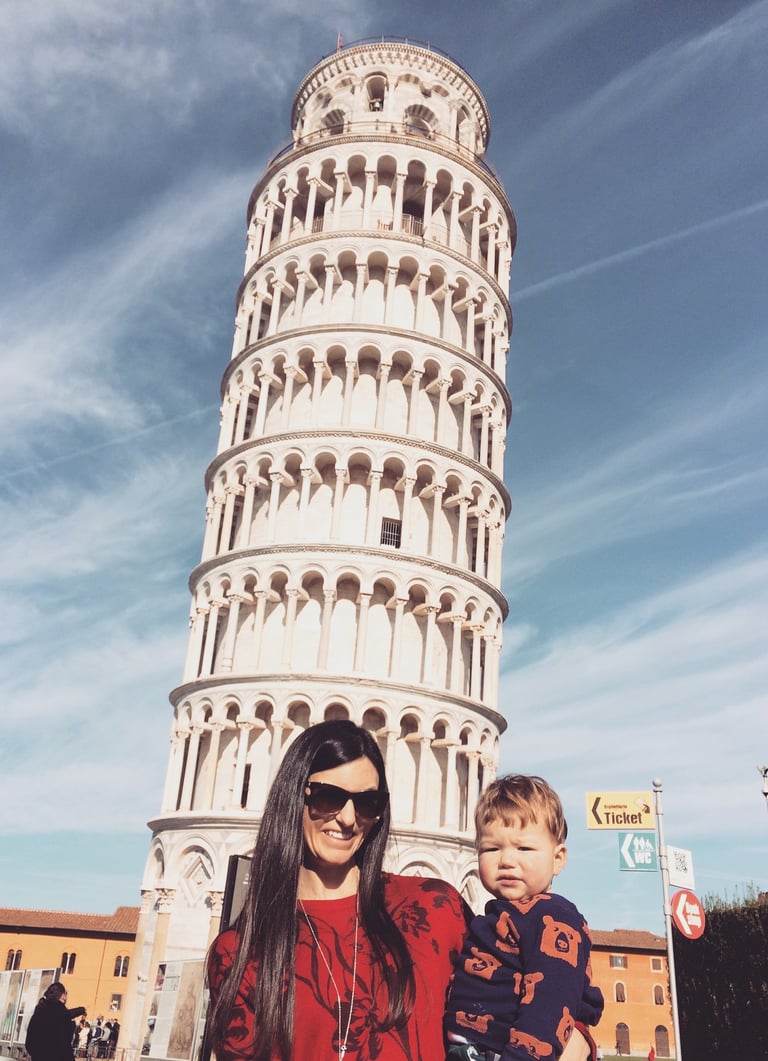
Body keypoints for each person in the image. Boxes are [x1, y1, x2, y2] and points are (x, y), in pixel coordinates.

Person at [207, 721, 592, 1061]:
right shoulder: (239, 952)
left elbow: (524, 978)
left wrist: (579, 1038)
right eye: (328, 796)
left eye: (367, 802)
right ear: (294, 796)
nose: (347, 818)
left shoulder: (433, 907)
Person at [444, 775, 604, 1061]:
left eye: (524, 848)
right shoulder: (498, 915)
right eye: (492, 848)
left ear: (557, 859)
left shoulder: (554, 917)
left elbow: (550, 1002)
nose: (506, 860)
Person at [25, 982, 86, 1061]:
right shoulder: (63, 1014)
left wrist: (37, 1055)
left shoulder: (39, 1012)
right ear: (63, 996)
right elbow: (65, 1046)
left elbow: (29, 1043)